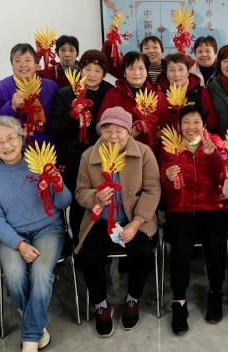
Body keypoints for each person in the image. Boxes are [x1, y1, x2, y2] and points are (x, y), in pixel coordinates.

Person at [0, 116, 71, 352]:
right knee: (13, 273)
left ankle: (30, 338)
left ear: (21, 139)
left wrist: (59, 185)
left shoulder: (39, 163)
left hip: (48, 228)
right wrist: (19, 244)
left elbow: (63, 203)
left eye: (11, 138)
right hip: (12, 234)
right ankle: (37, 324)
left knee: (41, 272)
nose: (6, 145)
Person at [74, 107, 160, 337]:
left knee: (143, 253)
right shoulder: (89, 156)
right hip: (100, 221)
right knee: (88, 257)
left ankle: (132, 299)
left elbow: (152, 190)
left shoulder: (144, 153)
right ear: (100, 131)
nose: (113, 136)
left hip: (134, 219)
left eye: (119, 130)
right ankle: (101, 305)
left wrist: (137, 222)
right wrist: (96, 196)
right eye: (107, 130)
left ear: (129, 131)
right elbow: (80, 192)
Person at [160, 105, 228, 335]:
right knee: (180, 247)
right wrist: (166, 176)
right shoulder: (170, 145)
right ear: (179, 126)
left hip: (211, 205)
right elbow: (162, 185)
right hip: (180, 207)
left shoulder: (215, 142)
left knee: (216, 244)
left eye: (196, 122)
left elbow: (223, 178)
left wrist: (213, 156)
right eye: (186, 122)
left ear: (204, 125)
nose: (191, 127)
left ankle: (215, 294)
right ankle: (179, 302)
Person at [48, 50, 113, 243]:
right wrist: (72, 114)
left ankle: (101, 240)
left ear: (103, 73)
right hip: (72, 157)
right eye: (87, 69)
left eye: (97, 70)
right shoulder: (66, 93)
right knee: (77, 201)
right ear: (80, 70)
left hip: (101, 158)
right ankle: (78, 242)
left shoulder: (109, 92)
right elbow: (55, 127)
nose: (92, 74)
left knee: (101, 199)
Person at [96, 51, 169, 150]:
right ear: (124, 72)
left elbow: (167, 125)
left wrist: (159, 134)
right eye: (131, 68)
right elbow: (99, 125)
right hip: (120, 150)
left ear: (146, 71)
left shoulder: (158, 95)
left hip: (152, 151)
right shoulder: (113, 94)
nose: (136, 73)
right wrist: (123, 134)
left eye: (141, 68)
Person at [0, 43, 59, 145]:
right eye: (17, 61)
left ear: (35, 63)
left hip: (48, 146)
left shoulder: (51, 87)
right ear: (12, 65)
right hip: (15, 148)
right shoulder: (0, 89)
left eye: (28, 60)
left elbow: (58, 120)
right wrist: (11, 107)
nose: (23, 65)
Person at [159, 52, 217, 131]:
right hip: (166, 137)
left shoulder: (201, 92)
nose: (177, 74)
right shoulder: (160, 93)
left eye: (181, 69)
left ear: (188, 71)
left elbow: (211, 122)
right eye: (172, 70)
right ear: (166, 72)